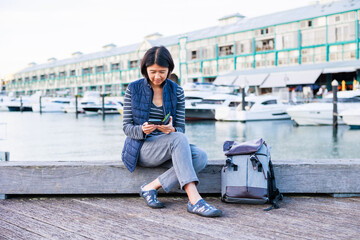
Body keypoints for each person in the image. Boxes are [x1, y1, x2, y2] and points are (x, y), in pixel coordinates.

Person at [121, 46, 222, 218]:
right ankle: (195, 200)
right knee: (178, 139)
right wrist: (142, 130)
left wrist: (172, 129)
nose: (157, 76)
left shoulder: (177, 91)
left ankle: (150, 187)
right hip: (142, 148)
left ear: (169, 70)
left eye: (162, 71)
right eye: (153, 71)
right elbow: (126, 127)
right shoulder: (133, 89)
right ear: (145, 69)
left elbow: (181, 129)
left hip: (169, 145)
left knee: (200, 156)